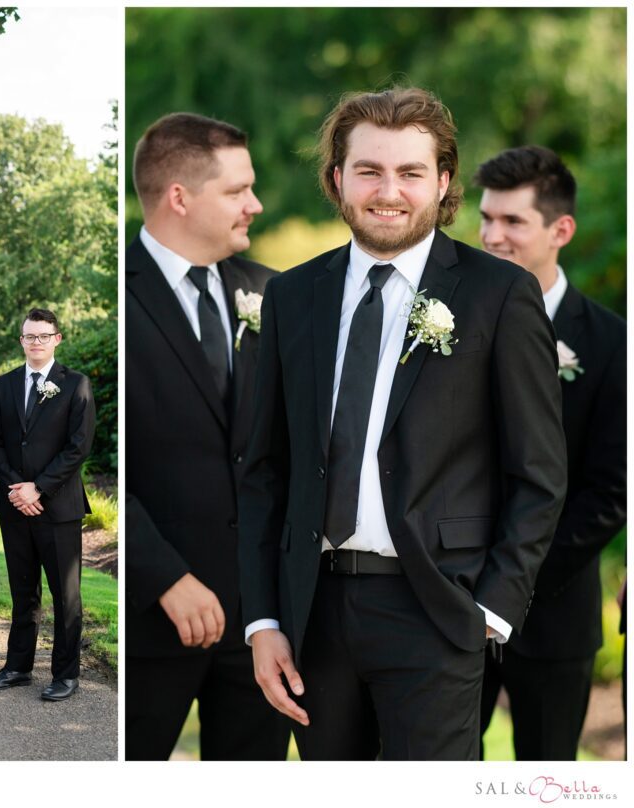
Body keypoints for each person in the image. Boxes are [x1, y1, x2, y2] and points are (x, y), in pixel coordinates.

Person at [239, 87, 567, 760]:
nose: (389, 191)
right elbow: (263, 470)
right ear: (338, 178)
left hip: (438, 612)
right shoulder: (292, 296)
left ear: (443, 181)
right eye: (369, 170)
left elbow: (539, 472)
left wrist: (493, 610)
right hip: (312, 615)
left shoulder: (498, 294)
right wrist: (263, 619)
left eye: (411, 173)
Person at [125, 112, 290, 760]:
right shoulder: (115, 295)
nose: (255, 204)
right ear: (179, 196)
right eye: (237, 190)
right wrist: (164, 576)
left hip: (260, 628)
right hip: (150, 620)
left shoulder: (273, 296)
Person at [474, 145, 626, 760]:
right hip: (448, 601)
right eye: (485, 218)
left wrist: (514, 585)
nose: (491, 235)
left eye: (513, 222)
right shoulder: (446, 321)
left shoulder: (613, 343)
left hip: (554, 611)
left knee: (547, 781)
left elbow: (612, 490)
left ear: (560, 229)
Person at [0, 308, 94, 701]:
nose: (36, 343)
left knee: (66, 595)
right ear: (21, 340)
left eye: (43, 336)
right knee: (22, 591)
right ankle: (18, 667)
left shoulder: (76, 384)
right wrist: (17, 488)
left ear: (57, 339)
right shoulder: (3, 385)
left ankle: (65, 674)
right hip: (14, 507)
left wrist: (39, 489)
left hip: (59, 508)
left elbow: (77, 447)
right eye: (29, 336)